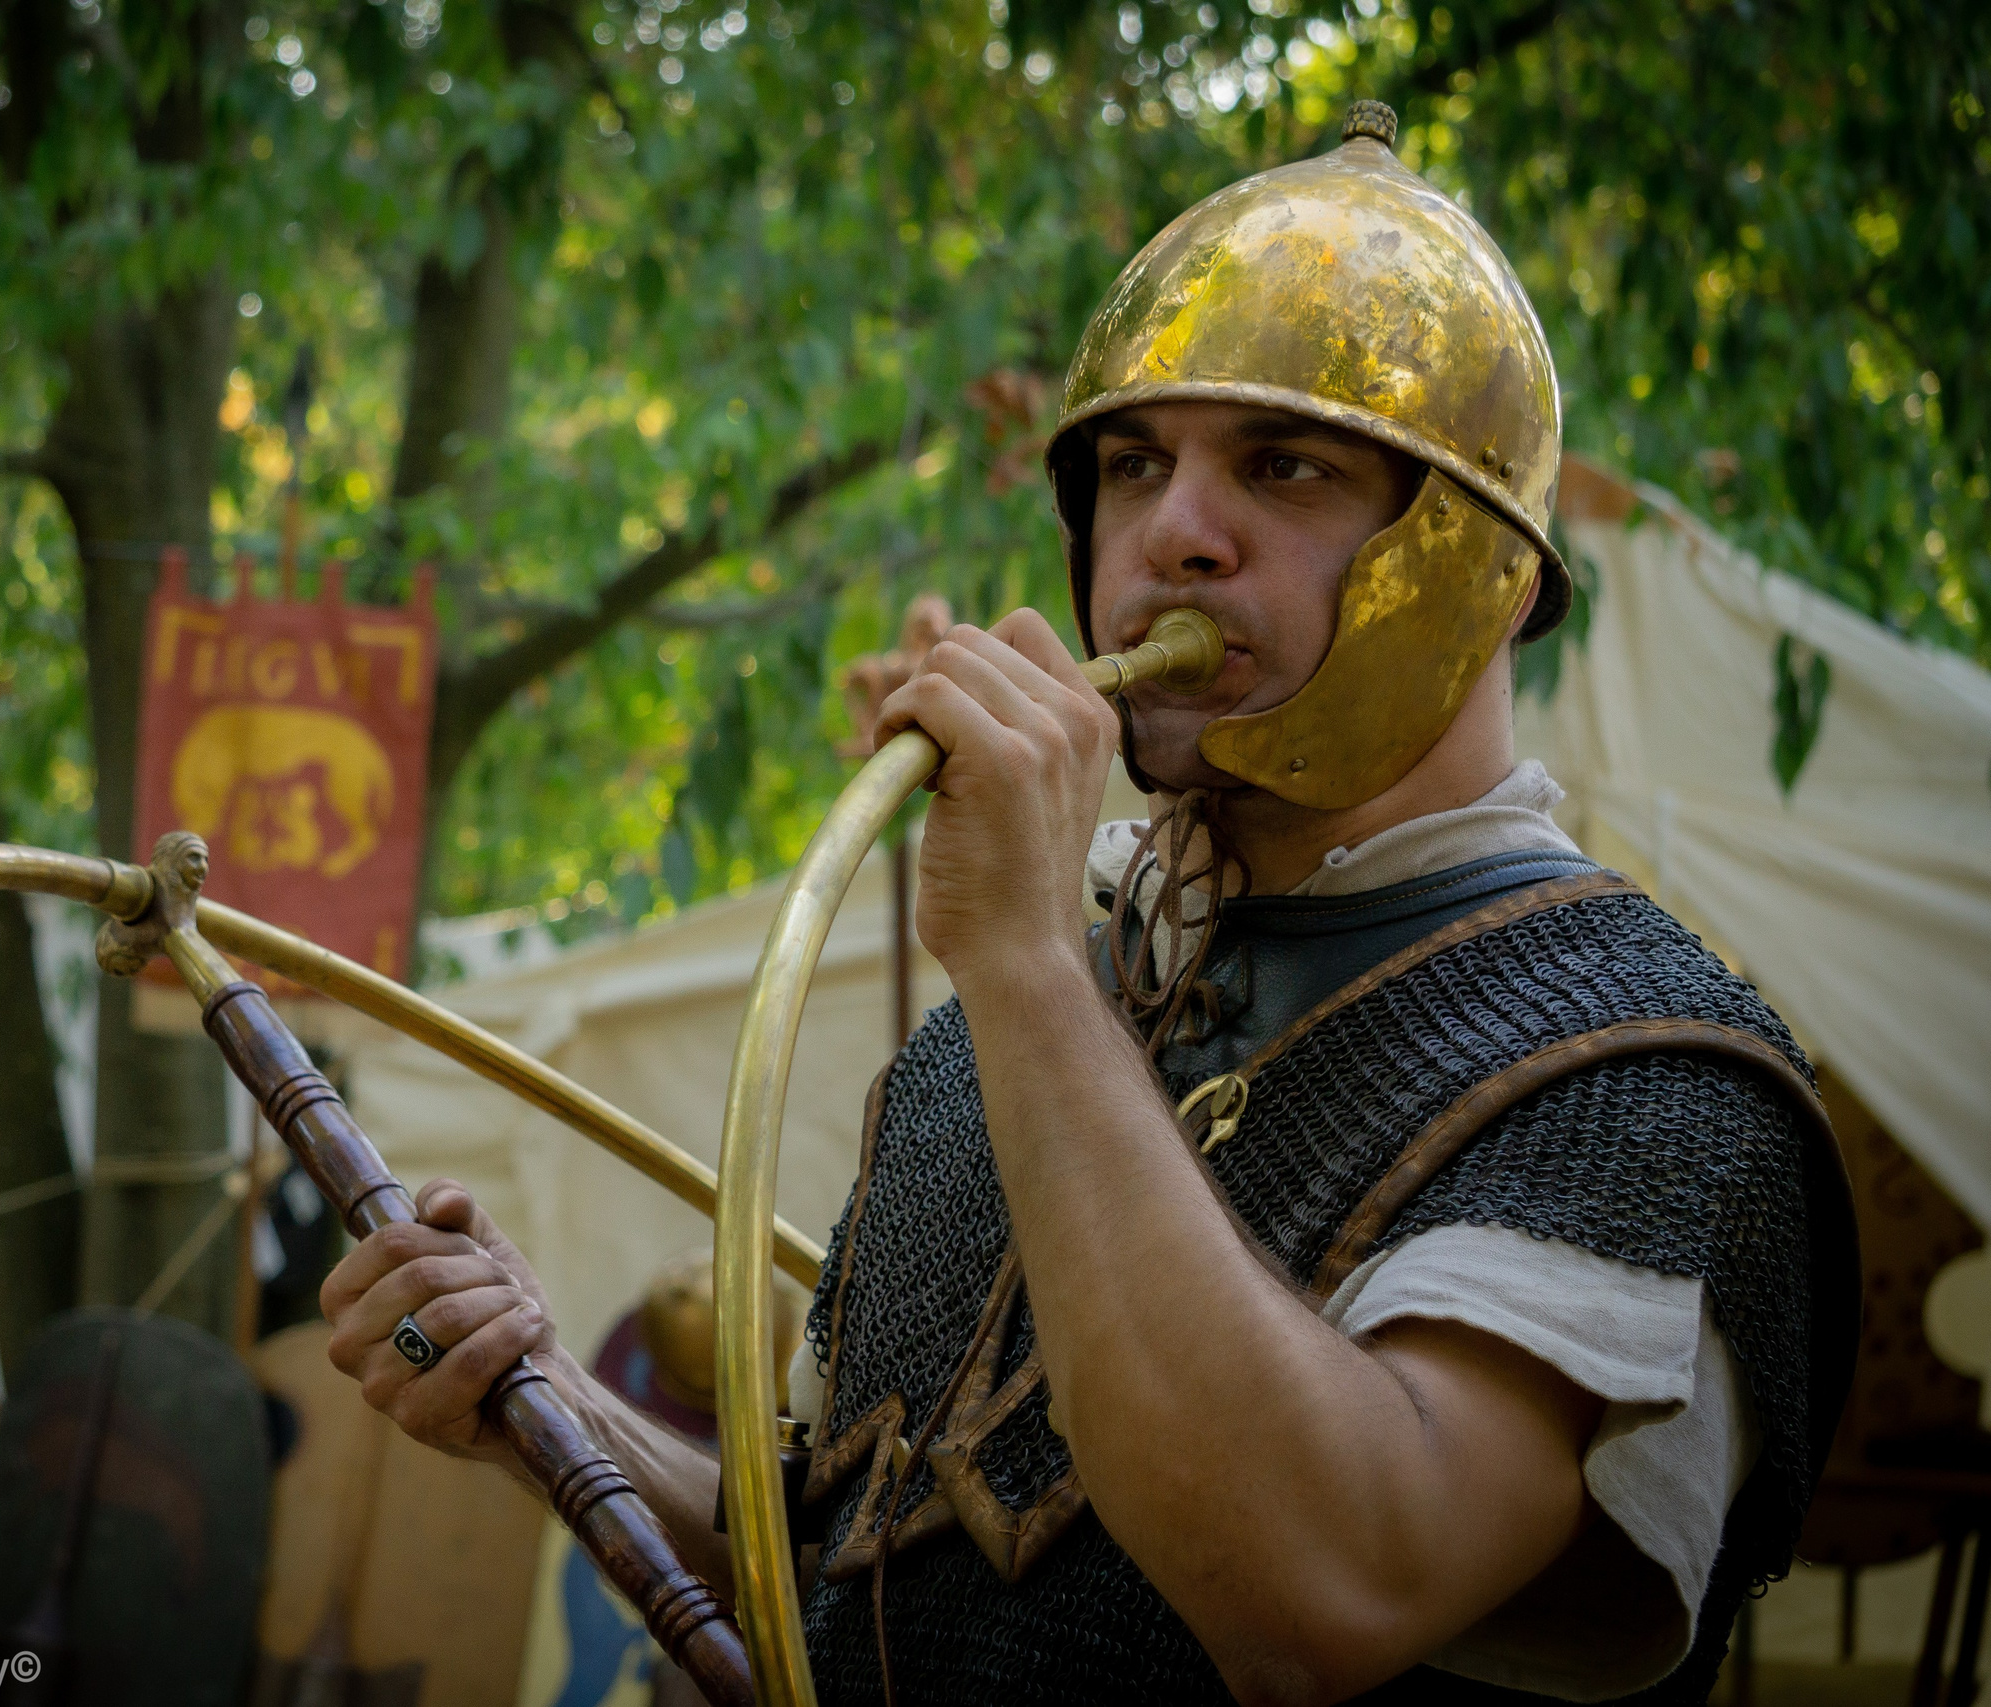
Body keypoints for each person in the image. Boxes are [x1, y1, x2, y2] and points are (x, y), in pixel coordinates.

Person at [316, 102, 1857, 1704]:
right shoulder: (1039, 989)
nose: (1174, 534)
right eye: (1133, 466)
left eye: (1284, 464)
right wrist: (549, 1396)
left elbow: (1321, 1585)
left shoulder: (1645, 1070)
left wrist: (1028, 973)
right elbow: (845, 1572)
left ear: (1484, 570)